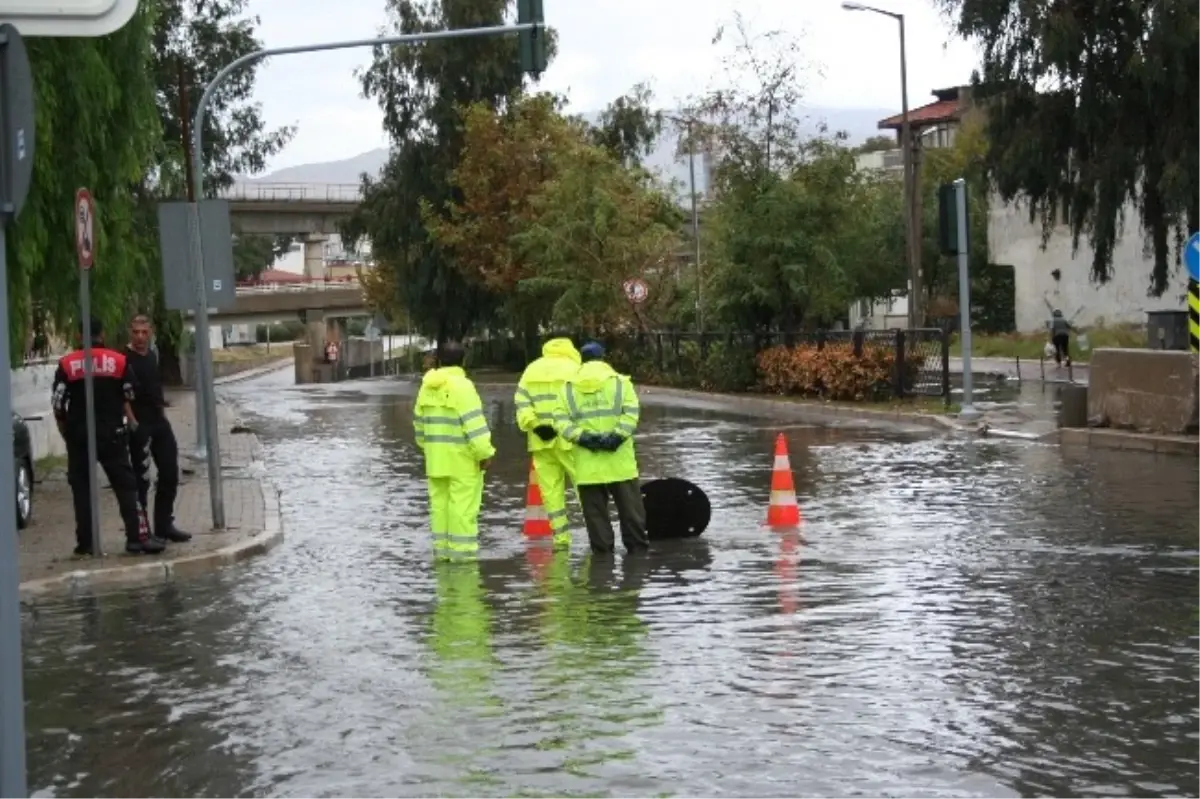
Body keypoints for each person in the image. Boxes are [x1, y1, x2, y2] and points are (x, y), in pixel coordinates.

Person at [51, 317, 165, 556]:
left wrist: (65, 430)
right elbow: (129, 393)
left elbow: (59, 403)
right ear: (102, 335)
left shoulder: (67, 364)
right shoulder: (119, 361)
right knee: (126, 486)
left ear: (79, 336)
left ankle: (86, 542)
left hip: (79, 434)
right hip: (112, 433)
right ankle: (136, 539)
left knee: (81, 489)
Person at [552, 341, 650, 556]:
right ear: (603, 358)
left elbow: (559, 421)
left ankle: (603, 565)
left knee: (595, 517)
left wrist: (583, 438)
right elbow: (632, 413)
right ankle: (637, 559)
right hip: (620, 462)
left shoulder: (567, 388)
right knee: (632, 513)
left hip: (588, 465)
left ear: (582, 360)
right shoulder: (621, 383)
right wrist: (616, 437)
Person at [413, 341, 495, 560]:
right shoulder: (463, 386)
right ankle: (463, 557)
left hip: (436, 460)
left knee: (439, 508)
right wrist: (484, 454)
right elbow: (474, 425)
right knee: (463, 509)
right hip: (462, 461)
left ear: (439, 360)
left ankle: (441, 554)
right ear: (463, 361)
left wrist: (430, 449)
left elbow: (419, 425)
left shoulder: (426, 386)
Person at [126, 315, 192, 544]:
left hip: (159, 422)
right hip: (139, 424)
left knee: (170, 472)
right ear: (130, 333)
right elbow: (121, 396)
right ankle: (143, 531)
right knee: (141, 480)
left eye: (144, 332)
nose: (140, 337)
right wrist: (132, 422)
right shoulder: (125, 359)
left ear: (151, 332)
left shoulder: (152, 356)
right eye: (136, 332)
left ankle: (164, 523)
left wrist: (163, 415)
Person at [514, 334, 581, 550]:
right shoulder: (575, 369)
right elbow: (581, 405)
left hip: (541, 441)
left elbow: (522, 402)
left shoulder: (531, 370)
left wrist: (536, 425)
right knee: (585, 489)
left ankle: (561, 539)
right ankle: (597, 535)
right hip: (571, 440)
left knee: (551, 493)